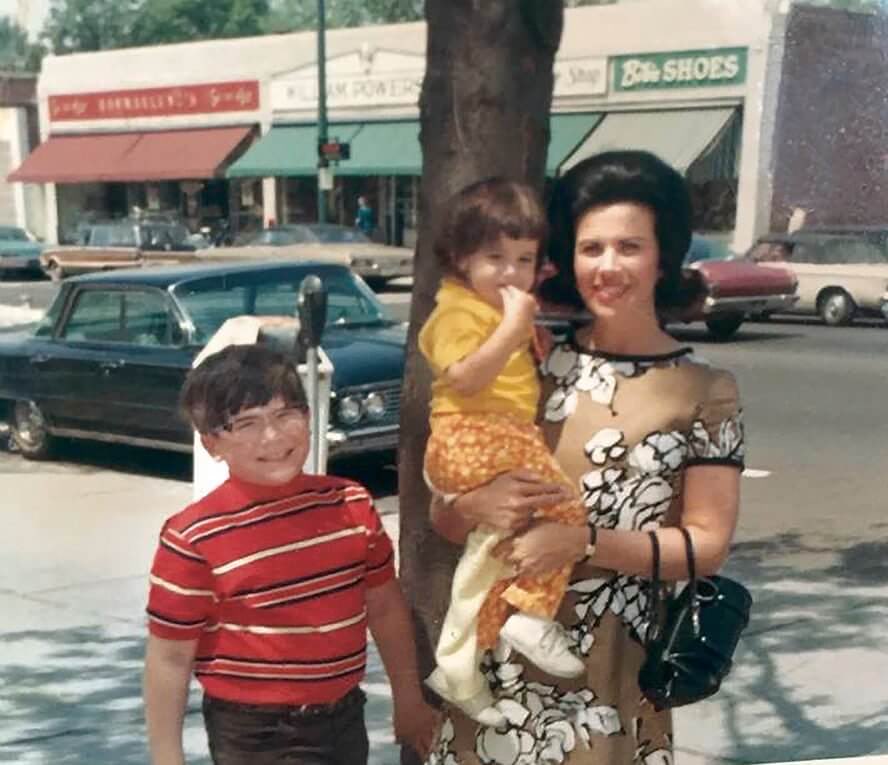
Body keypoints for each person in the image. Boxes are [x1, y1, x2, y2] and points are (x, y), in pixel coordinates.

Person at [424, 151, 745, 765]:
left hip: (613, 670)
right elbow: (446, 520)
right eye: (591, 248)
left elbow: (706, 545)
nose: (608, 266)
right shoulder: (528, 364)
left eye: (630, 247)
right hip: (498, 676)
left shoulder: (707, 390)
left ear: (662, 256)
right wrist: (470, 503)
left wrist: (583, 543)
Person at [143, 344, 439, 765]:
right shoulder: (193, 537)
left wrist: (407, 698)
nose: (272, 436)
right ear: (212, 444)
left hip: (344, 717)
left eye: (286, 414)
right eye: (246, 423)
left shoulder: (350, 505)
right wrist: (167, 757)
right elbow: (169, 658)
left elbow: (385, 608)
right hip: (257, 733)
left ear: (309, 416)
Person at [419, 179, 587, 728]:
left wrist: (522, 333)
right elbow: (466, 376)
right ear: (461, 259)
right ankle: (530, 615)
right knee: (566, 507)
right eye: (495, 258)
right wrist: (515, 327)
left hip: (489, 435)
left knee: (495, 559)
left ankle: (462, 666)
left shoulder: (491, 312)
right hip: (478, 433)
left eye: (524, 259)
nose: (511, 273)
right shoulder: (455, 311)